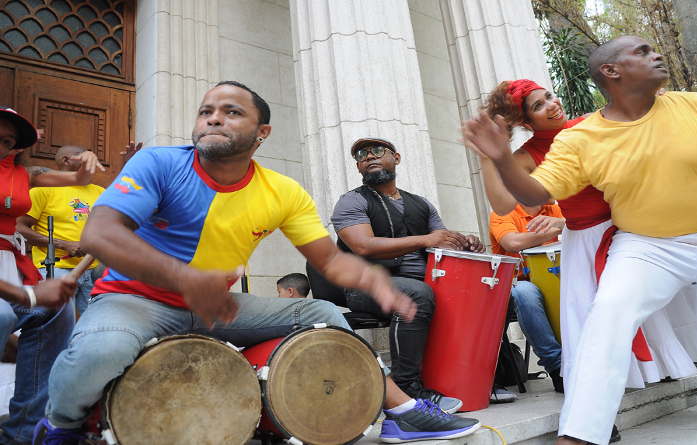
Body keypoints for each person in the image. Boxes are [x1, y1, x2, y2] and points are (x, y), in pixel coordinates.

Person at [32, 82, 480, 445]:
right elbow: (98, 234)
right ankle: (60, 426)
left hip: (215, 307)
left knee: (323, 312)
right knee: (98, 352)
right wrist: (187, 280)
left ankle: (399, 410)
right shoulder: (159, 163)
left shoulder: (282, 191)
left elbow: (328, 260)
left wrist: (376, 284)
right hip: (134, 300)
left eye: (231, 112)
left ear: (261, 132)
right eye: (206, 110)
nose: (213, 118)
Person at [462, 36, 697, 445]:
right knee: (605, 320)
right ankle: (579, 436)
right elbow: (533, 196)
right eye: (641, 51)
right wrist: (498, 158)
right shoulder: (579, 139)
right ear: (611, 71)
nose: (655, 53)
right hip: (643, 245)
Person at [479, 79, 697, 410]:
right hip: (587, 236)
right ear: (525, 121)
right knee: (594, 314)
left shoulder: (593, 122)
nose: (553, 104)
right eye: (539, 105)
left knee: (684, 291)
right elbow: (507, 205)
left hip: (635, 221)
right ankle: (595, 406)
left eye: (550, 96)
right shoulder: (526, 156)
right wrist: (489, 158)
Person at [329, 137, 485, 414]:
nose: (369, 156)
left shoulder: (421, 204)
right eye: (362, 154)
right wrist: (425, 239)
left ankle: (479, 381)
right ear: (358, 167)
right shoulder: (351, 201)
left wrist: (465, 242)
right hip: (365, 284)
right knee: (416, 293)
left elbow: (442, 243)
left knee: (475, 291)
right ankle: (407, 389)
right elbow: (364, 246)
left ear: (396, 158)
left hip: (421, 281)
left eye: (378, 151)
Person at [0, 107, 103, 445]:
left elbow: (80, 181)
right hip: (29, 273)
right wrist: (27, 296)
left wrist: (87, 160)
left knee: (57, 314)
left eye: (7, 140)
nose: (0, 144)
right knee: (2, 315)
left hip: (9, 260)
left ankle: (24, 430)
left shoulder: (24, 174)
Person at [16, 145, 105, 315]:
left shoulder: (100, 192)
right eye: (82, 155)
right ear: (66, 160)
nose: (90, 158)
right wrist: (64, 244)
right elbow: (18, 228)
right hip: (55, 268)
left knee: (100, 325)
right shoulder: (42, 190)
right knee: (59, 327)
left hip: (94, 270)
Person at [489, 202, 564, 398]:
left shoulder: (553, 208)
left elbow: (583, 224)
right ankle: (558, 368)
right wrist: (559, 227)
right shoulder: (502, 211)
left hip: (555, 279)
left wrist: (563, 222)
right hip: (516, 284)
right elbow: (512, 243)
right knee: (525, 293)